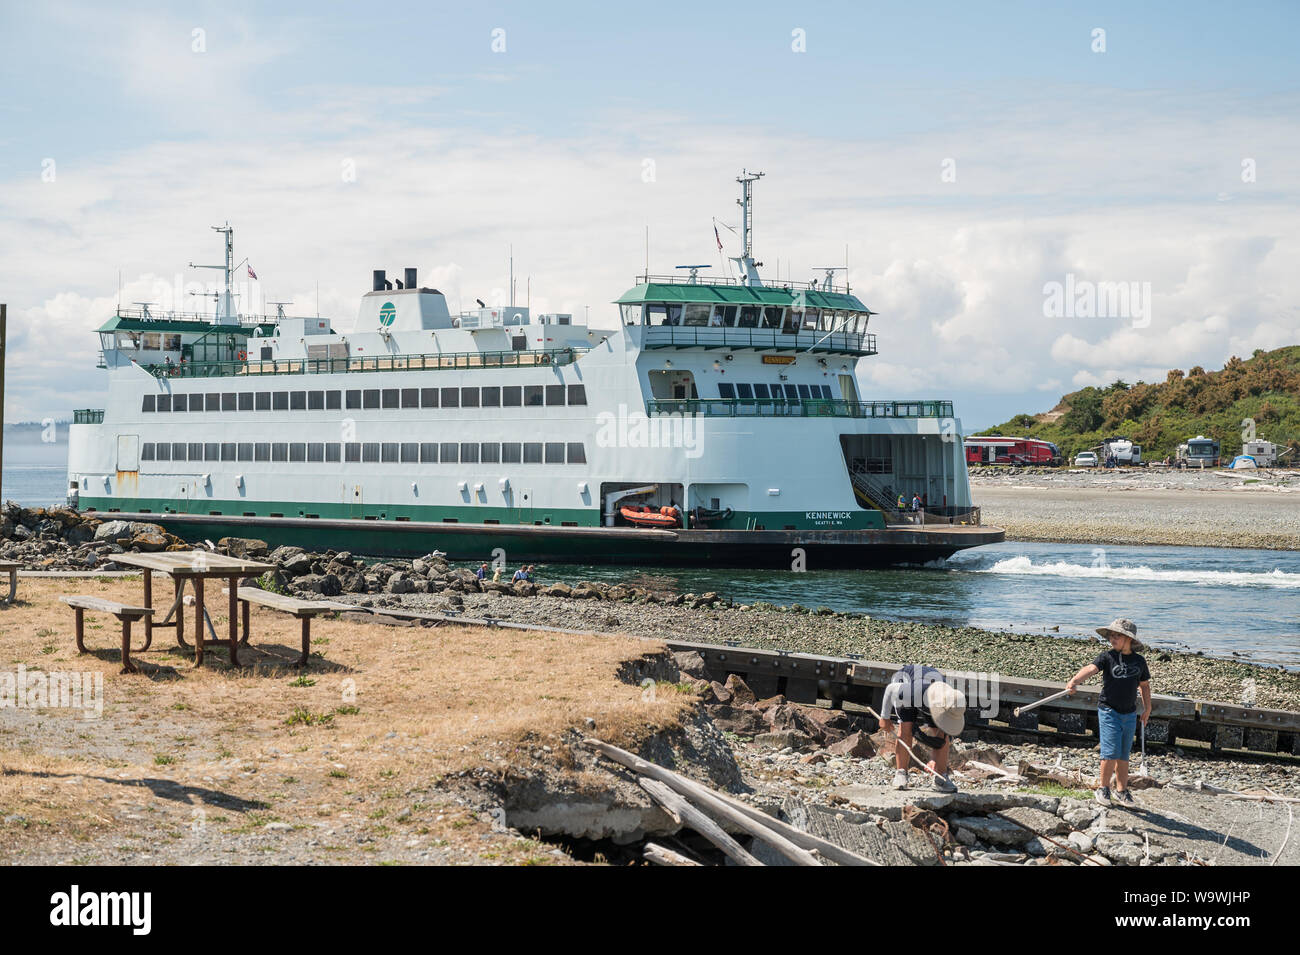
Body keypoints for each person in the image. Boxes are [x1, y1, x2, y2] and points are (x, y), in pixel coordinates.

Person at [1065, 618, 1152, 807]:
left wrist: (1147, 708)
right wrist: (1074, 681)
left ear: (1128, 639)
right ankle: (1103, 788)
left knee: (1123, 754)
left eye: (1117, 635)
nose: (1112, 638)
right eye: (1111, 635)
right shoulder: (1107, 657)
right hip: (1109, 710)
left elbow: (1144, 686)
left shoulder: (1139, 661)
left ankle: (1121, 791)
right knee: (1110, 752)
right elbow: (1090, 669)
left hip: (1129, 713)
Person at [877, 664, 966, 792]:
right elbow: (891, 689)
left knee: (942, 736)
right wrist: (884, 718)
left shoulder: (953, 702)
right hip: (907, 682)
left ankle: (941, 777)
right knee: (906, 728)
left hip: (931, 692)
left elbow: (943, 737)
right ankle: (901, 773)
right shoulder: (913, 693)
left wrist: (934, 760)